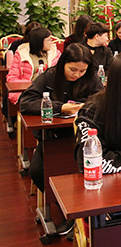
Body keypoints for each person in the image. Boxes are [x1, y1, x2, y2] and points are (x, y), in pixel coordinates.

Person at [20, 43, 103, 193]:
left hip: (84, 136)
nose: (77, 75)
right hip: (53, 136)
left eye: (82, 71)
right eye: (72, 69)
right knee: (38, 171)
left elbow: (103, 101)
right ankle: (56, 199)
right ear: (63, 63)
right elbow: (25, 103)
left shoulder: (92, 79)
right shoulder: (49, 77)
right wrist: (60, 107)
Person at [7, 27, 60, 105]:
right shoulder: (22, 54)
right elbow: (12, 78)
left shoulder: (55, 54)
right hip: (27, 90)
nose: (51, 42)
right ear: (39, 41)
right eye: (49, 40)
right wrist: (31, 84)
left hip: (49, 91)